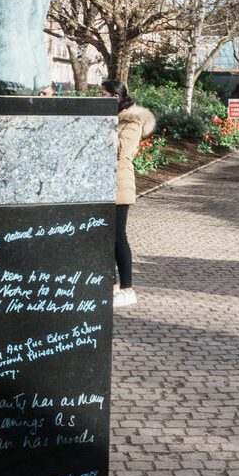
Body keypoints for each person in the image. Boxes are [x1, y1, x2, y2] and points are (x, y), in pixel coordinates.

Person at [100, 79, 156, 307]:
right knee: (104, 238)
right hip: (103, 184)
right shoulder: (109, 119)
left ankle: (127, 289)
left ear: (115, 97)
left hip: (119, 185)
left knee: (118, 237)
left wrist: (100, 132)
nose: (99, 98)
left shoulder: (132, 122)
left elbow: (121, 150)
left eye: (103, 94)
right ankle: (111, 286)